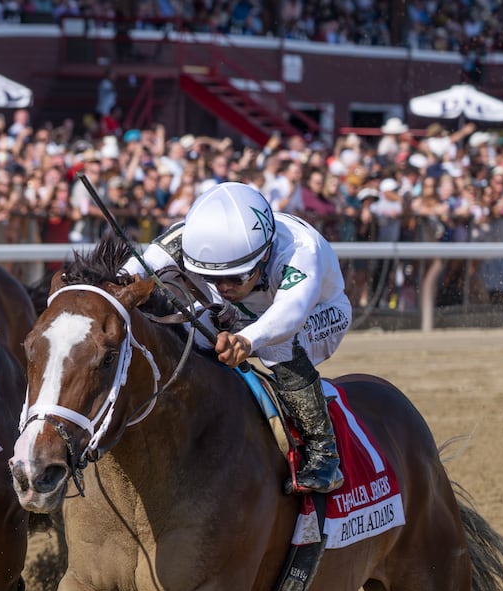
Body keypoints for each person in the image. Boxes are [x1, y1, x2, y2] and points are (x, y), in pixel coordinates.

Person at [121, 181, 351, 494]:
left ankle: (323, 453)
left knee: (277, 345)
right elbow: (140, 266)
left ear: (265, 254)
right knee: (184, 334)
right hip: (243, 314)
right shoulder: (193, 235)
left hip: (318, 313)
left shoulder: (299, 251)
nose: (224, 286)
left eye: (236, 277)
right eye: (212, 278)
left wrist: (246, 340)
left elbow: (290, 313)